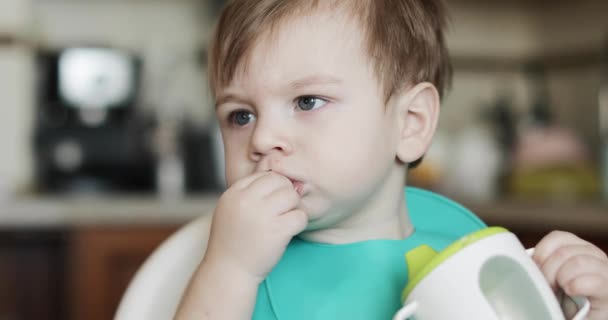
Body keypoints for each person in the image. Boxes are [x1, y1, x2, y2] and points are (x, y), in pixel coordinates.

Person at [175, 0, 608, 319]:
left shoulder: (467, 244)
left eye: (307, 101)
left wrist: (589, 308)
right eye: (240, 115)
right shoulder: (239, 264)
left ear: (410, 123)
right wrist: (229, 270)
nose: (263, 137)